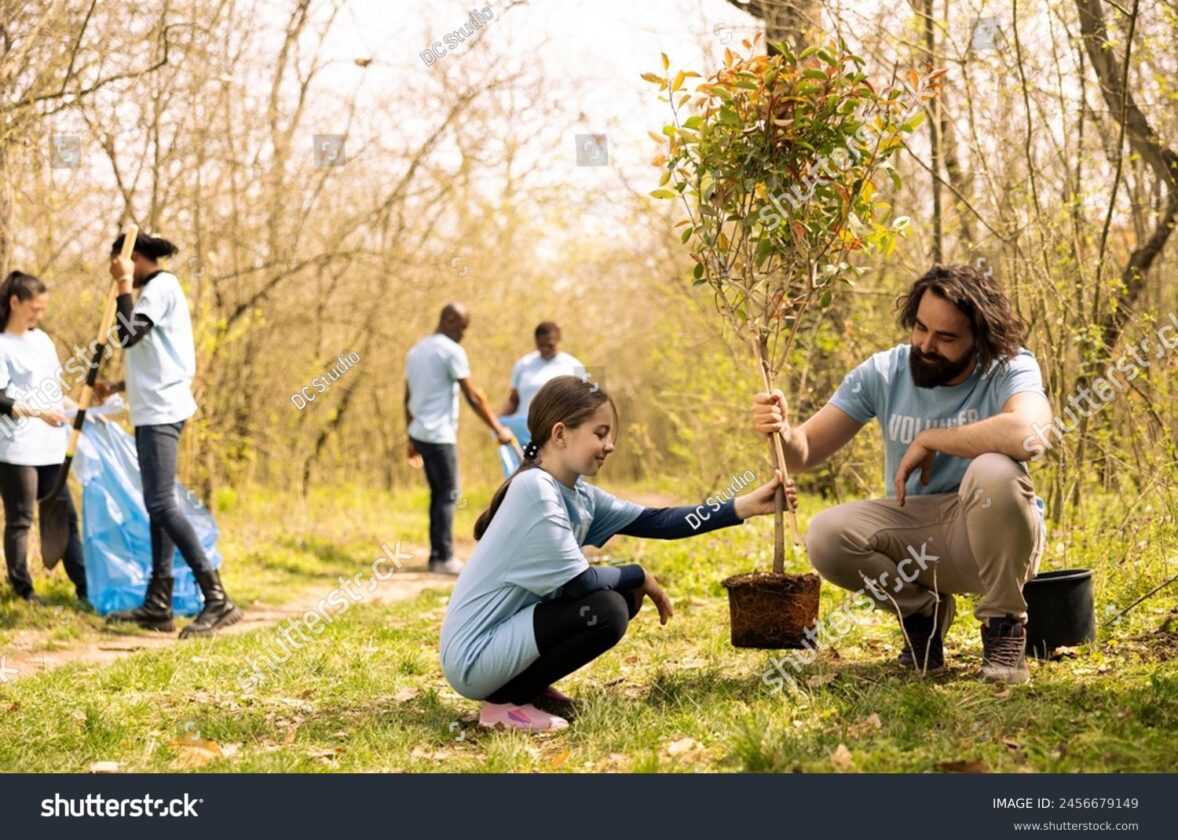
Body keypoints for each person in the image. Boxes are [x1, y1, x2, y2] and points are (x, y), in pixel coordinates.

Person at [752, 264, 1051, 684]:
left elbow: (1029, 434)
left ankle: (1004, 625)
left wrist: (933, 438)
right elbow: (802, 453)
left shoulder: (1009, 366)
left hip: (993, 534)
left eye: (946, 338)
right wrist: (780, 429)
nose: (926, 345)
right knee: (826, 534)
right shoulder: (884, 372)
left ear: (980, 339)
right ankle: (922, 613)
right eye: (920, 328)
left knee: (994, 469)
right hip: (918, 533)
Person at [441, 375, 793, 731]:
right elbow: (581, 584)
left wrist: (745, 505)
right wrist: (639, 575)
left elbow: (661, 522)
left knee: (618, 598)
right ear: (560, 434)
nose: (610, 445)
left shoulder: (578, 494)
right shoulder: (535, 489)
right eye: (600, 433)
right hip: (475, 655)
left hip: (501, 643)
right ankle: (503, 705)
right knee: (606, 609)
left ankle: (526, 688)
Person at [95, 231, 241, 637]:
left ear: (135, 258)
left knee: (161, 505)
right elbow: (158, 355)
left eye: (120, 262)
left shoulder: (161, 285)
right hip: (150, 409)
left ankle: (217, 599)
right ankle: (158, 604)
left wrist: (123, 282)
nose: (116, 270)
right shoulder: (156, 293)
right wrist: (119, 387)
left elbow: (128, 335)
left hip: (161, 413)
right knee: (157, 507)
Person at [405, 303, 515, 575]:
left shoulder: (416, 351)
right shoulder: (451, 351)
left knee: (438, 494)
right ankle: (443, 557)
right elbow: (473, 396)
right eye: (463, 327)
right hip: (439, 435)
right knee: (449, 493)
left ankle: (436, 555)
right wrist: (498, 428)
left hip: (420, 433)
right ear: (450, 320)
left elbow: (407, 399)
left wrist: (410, 437)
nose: (464, 334)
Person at [0, 271, 86, 606]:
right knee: (21, 520)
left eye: (43, 309)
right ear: (15, 302)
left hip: (52, 447)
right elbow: (2, 399)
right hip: (16, 449)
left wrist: (82, 409)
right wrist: (40, 413)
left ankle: (85, 588)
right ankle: (23, 590)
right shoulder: (2, 345)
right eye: (34, 308)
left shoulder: (43, 340)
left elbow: (53, 391)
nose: (39, 314)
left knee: (65, 516)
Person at [498, 321, 584, 426]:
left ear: (558, 341)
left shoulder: (574, 365)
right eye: (541, 345)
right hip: (526, 428)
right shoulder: (523, 364)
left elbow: (586, 402)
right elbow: (514, 401)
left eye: (550, 345)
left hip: (559, 428)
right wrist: (497, 421)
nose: (545, 349)